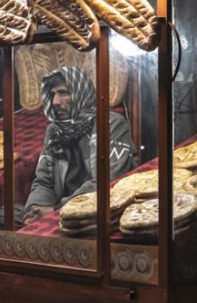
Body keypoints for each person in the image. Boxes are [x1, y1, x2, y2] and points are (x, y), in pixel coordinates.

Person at [20, 66, 138, 225]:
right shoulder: (54, 130)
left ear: (81, 93)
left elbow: (107, 182)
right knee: (4, 214)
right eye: (53, 94)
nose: (55, 102)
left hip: (99, 210)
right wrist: (36, 208)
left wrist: (57, 210)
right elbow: (43, 181)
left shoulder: (111, 123)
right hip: (59, 210)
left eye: (63, 93)